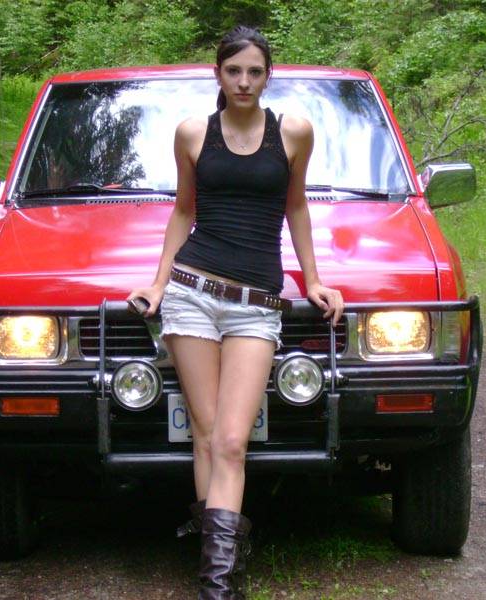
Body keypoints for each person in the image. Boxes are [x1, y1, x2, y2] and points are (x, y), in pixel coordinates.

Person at [127, 25, 344, 599]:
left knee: (230, 441)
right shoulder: (193, 133)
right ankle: (218, 583)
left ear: (268, 76)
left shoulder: (292, 132)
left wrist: (314, 280)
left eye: (254, 71)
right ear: (217, 74)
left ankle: (218, 576)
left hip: (256, 306)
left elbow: (296, 206)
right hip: (191, 294)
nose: (244, 82)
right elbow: (183, 211)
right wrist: (158, 283)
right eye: (233, 71)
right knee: (204, 436)